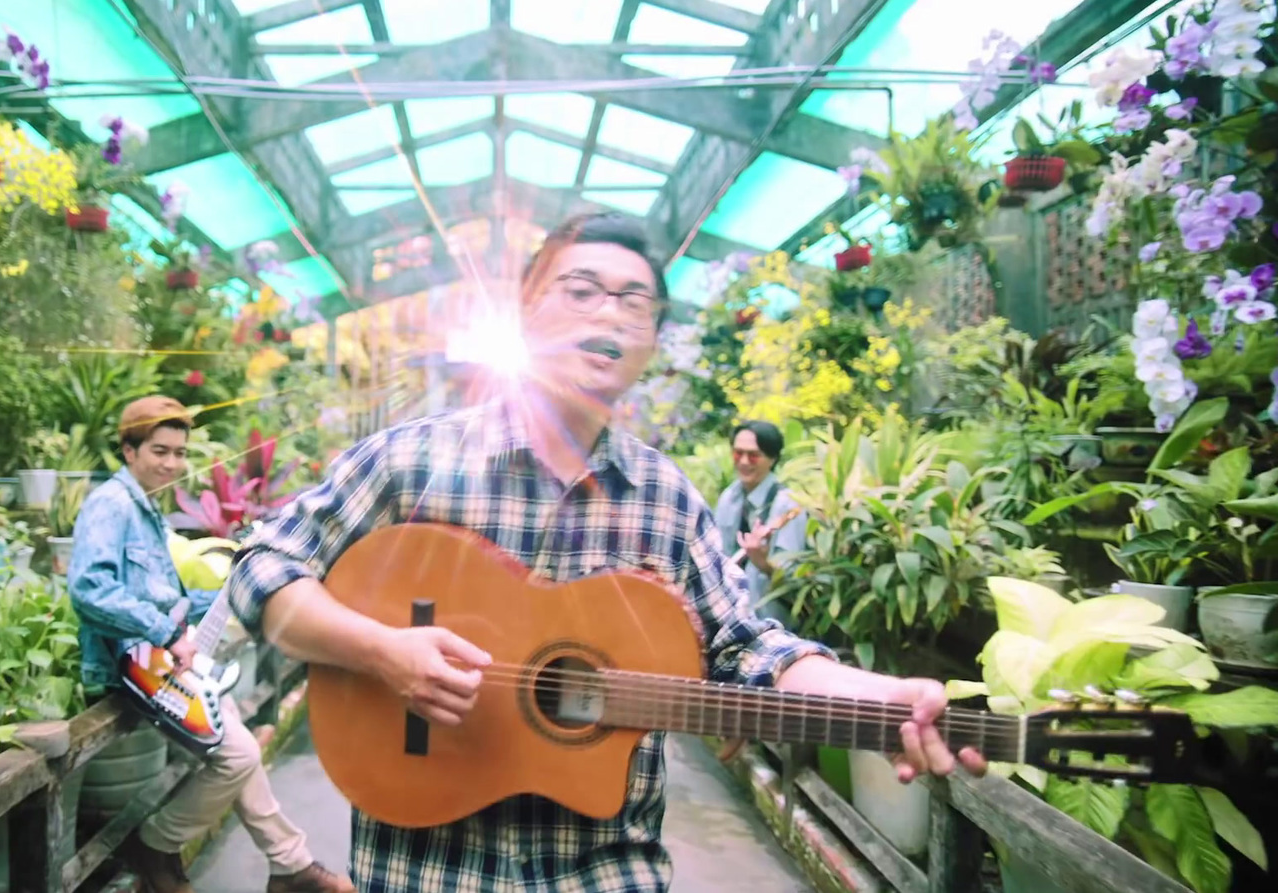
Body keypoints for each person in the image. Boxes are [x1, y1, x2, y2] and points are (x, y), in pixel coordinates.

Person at [221, 213, 988, 892]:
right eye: (581, 289)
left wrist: (873, 694)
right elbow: (263, 566)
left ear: (651, 338)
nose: (607, 312)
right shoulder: (408, 461)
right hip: (426, 864)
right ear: (526, 315)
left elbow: (747, 646)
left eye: (633, 300)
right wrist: (385, 650)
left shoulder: (666, 497)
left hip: (606, 869)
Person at [66, 396, 354, 893]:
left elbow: (168, 596)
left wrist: (243, 581)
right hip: (134, 664)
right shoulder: (110, 505)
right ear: (128, 450)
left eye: (179, 452)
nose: (173, 463)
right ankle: (156, 842)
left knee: (235, 745)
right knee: (238, 754)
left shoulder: (147, 511)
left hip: (160, 663)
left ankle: (291, 865)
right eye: (160, 450)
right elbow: (90, 590)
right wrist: (166, 631)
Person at [714, 420, 808, 622]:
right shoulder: (729, 498)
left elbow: (795, 581)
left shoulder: (788, 505)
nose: (744, 462)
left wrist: (763, 563)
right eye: (738, 453)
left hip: (774, 623)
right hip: (732, 619)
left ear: (772, 459)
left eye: (754, 455)